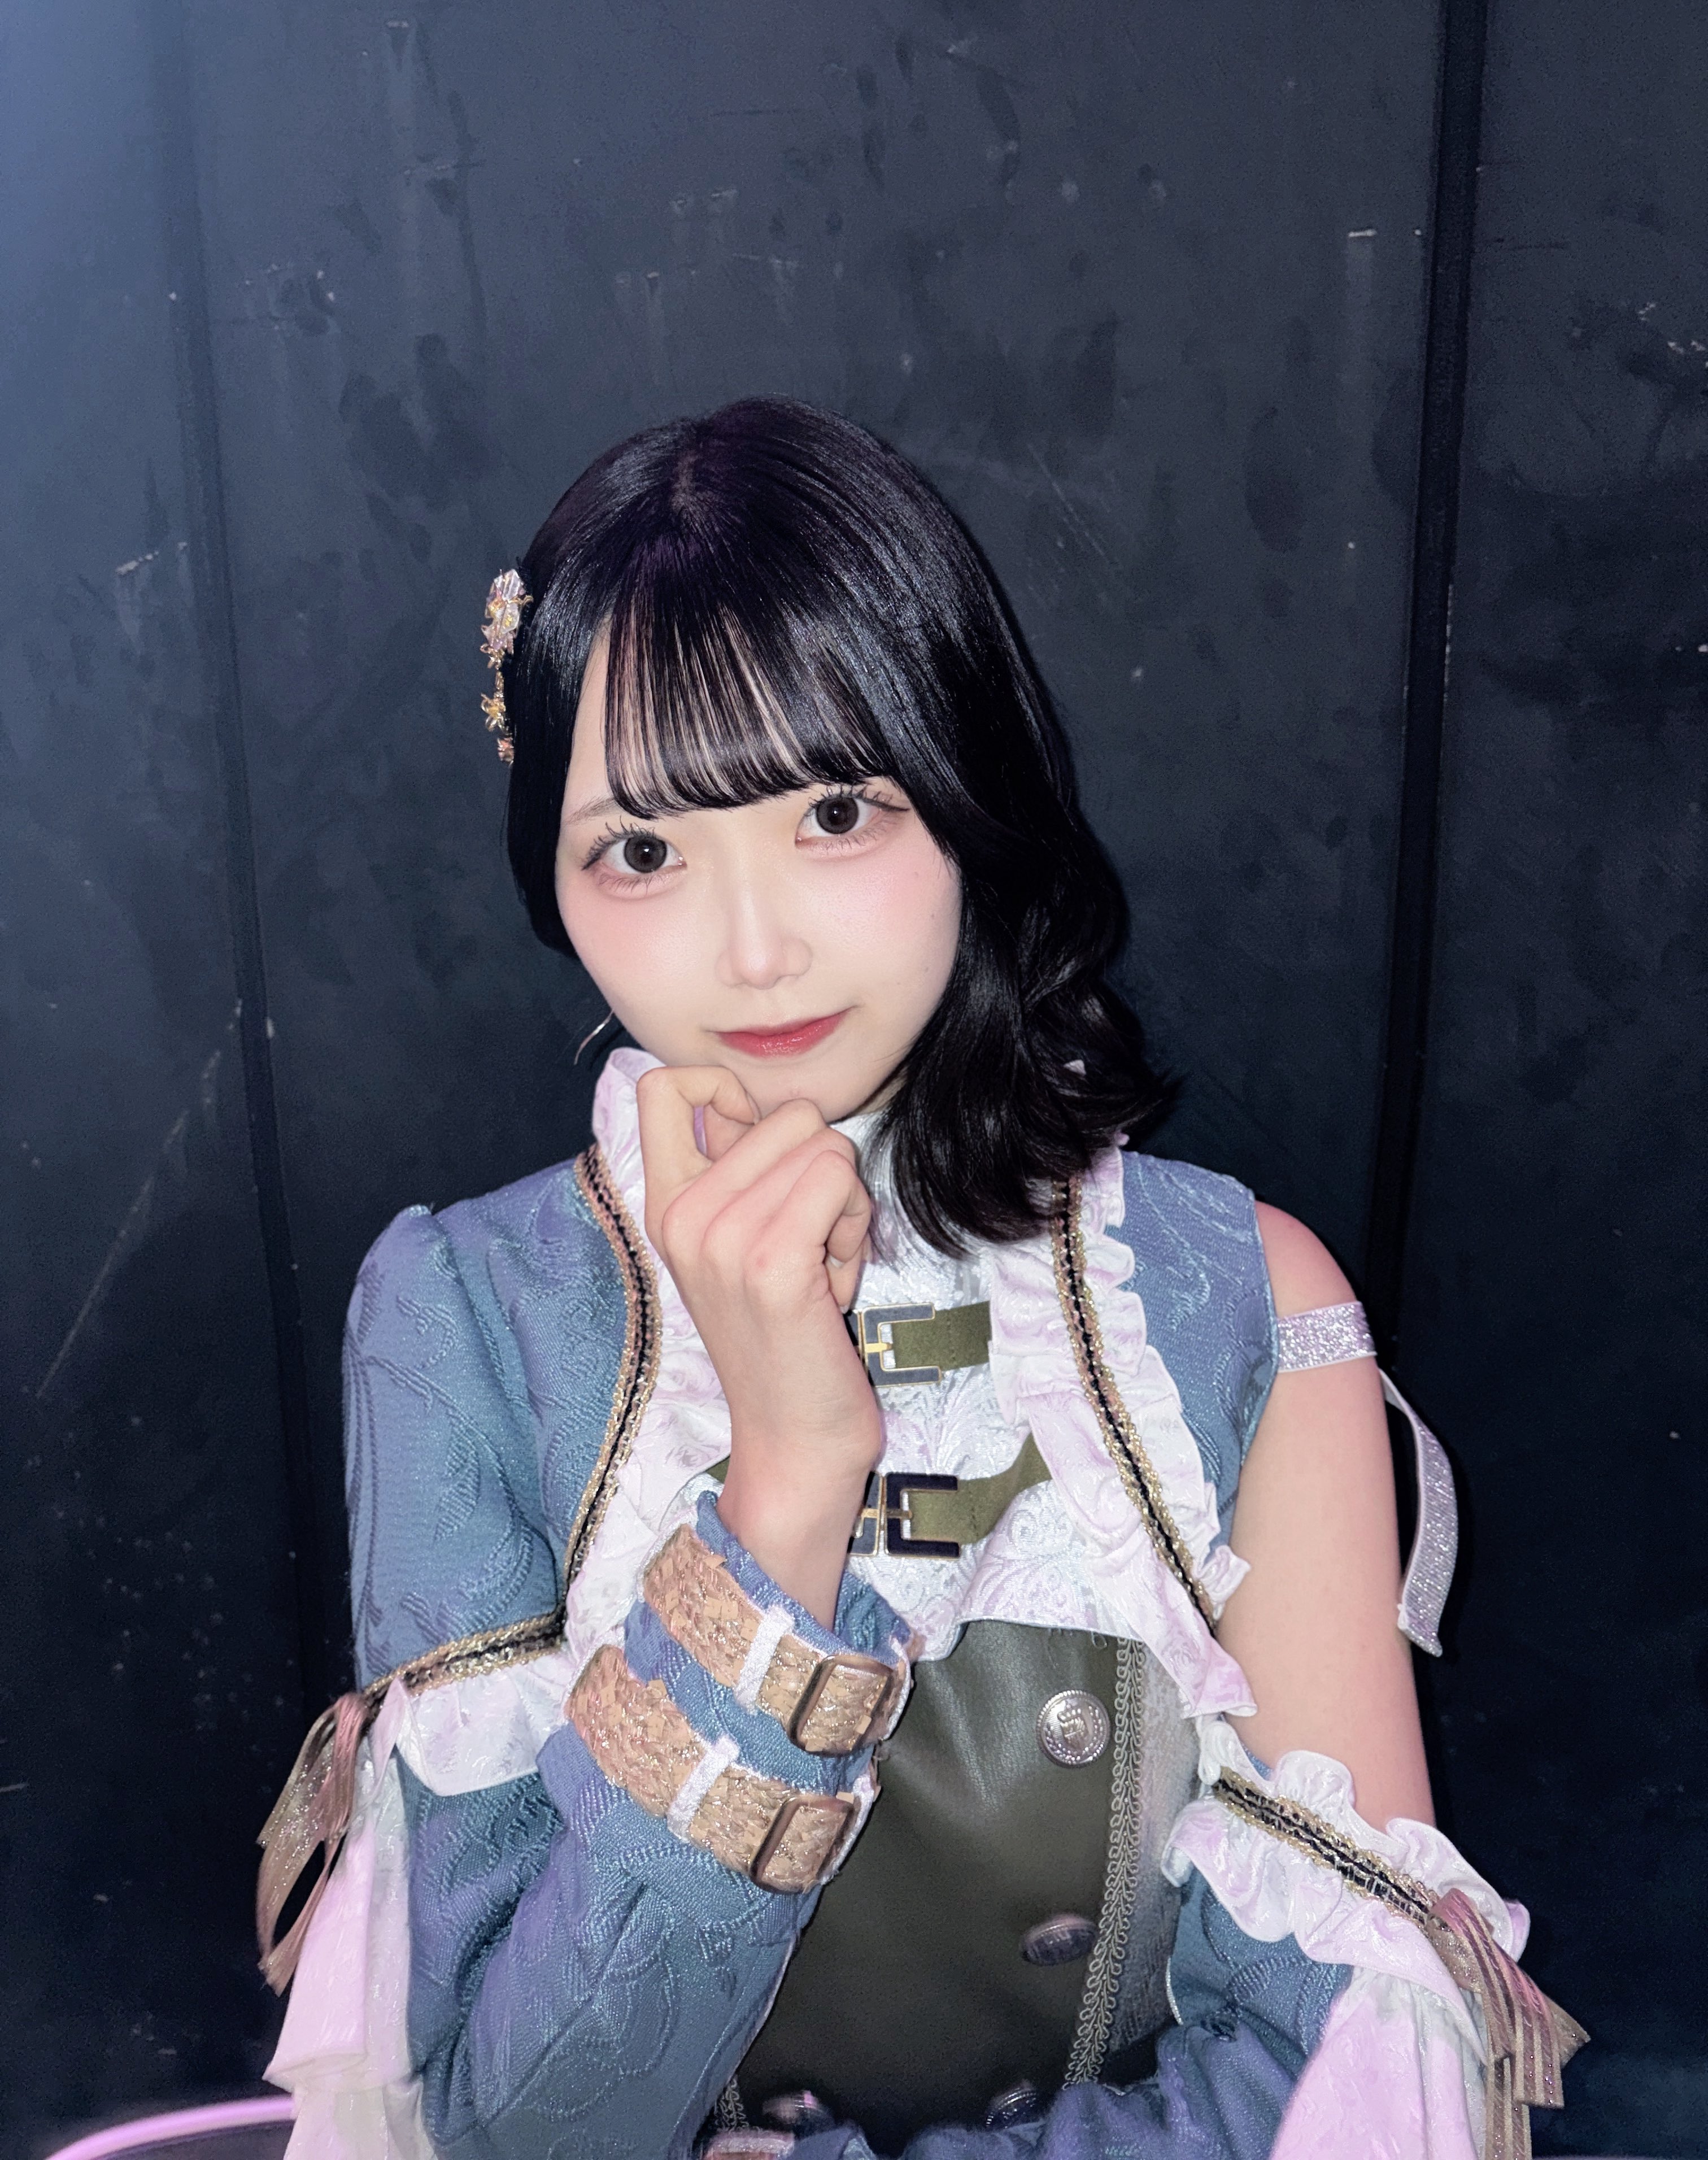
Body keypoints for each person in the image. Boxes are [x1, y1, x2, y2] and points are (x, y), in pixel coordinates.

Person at [258, 399, 1581, 2160]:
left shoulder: (1234, 1306)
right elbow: (512, 2128)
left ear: (970, 799)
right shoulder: (467, 1321)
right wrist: (788, 1490)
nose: (752, 950)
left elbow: (1351, 2090)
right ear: (553, 886)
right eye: (642, 850)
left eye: (835, 811)